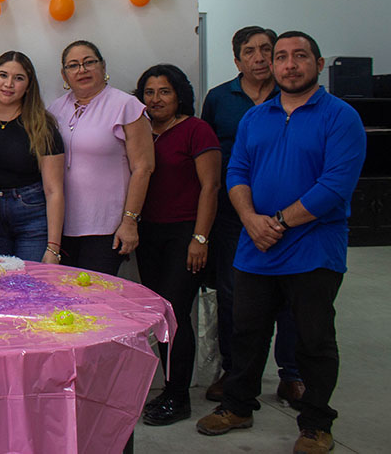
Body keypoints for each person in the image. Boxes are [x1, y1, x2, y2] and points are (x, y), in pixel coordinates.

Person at [196, 32, 365, 454]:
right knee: (246, 333)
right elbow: (236, 172)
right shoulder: (256, 117)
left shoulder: (341, 116)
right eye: (283, 57)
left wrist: (277, 222)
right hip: (256, 245)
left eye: (300, 56)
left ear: (319, 64)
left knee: (313, 340)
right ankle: (237, 406)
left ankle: (315, 423)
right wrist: (251, 220)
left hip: (314, 247)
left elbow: (335, 185)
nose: (290, 65)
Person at [200, 26, 303, 406]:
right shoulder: (219, 99)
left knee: (292, 298)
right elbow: (209, 159)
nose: (259, 58)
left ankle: (292, 374)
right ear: (237, 60)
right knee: (234, 295)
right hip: (233, 217)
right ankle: (235, 371)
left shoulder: (294, 95)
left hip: (291, 217)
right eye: (250, 51)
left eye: (266, 50)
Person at [134, 64, 220, 427]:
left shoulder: (196, 130)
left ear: (179, 93)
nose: (156, 99)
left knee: (175, 315)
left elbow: (211, 187)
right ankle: (167, 390)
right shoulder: (139, 131)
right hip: (149, 234)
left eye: (164, 91)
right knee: (158, 315)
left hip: (185, 234)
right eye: (149, 92)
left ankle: (177, 395)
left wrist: (199, 238)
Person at [47, 40, 154, 275]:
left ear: (103, 66)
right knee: (64, 299)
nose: (82, 70)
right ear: (64, 75)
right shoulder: (55, 110)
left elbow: (143, 168)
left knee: (94, 300)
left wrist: (130, 221)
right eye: (73, 65)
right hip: (63, 226)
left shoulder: (126, 106)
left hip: (107, 227)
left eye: (89, 62)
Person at [0, 51, 65, 262]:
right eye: (3, 75)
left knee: (32, 286)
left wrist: (53, 248)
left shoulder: (42, 124)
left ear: (29, 86)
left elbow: (54, 190)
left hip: (32, 216)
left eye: (19, 78)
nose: (9, 84)